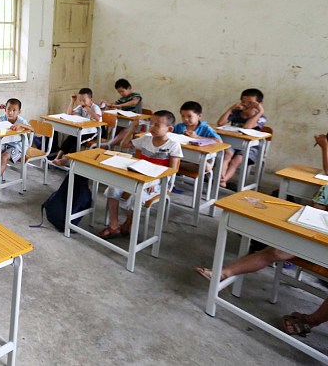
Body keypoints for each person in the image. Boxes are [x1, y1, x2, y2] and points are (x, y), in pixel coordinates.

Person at [195, 132, 328, 335]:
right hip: (318, 237)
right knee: (276, 251)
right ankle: (223, 273)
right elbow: (314, 213)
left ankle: (312, 321)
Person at [99, 110, 182, 239]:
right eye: (151, 123)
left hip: (159, 182)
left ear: (169, 129)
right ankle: (113, 225)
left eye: (157, 125)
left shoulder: (173, 146)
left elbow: (172, 171)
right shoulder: (146, 139)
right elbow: (123, 144)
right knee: (112, 188)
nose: (152, 127)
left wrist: (154, 181)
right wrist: (132, 128)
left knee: (135, 197)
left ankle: (127, 225)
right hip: (138, 177)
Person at [216, 88, 267, 188]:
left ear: (260, 104)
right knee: (226, 155)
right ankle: (221, 180)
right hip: (233, 143)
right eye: (243, 102)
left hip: (250, 147)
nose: (246, 105)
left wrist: (260, 112)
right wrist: (231, 109)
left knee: (236, 161)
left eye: (251, 103)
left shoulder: (261, 117)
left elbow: (247, 127)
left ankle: (223, 180)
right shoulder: (236, 113)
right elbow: (220, 123)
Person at [50, 88, 102, 167]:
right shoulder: (81, 107)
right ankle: (57, 158)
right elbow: (69, 113)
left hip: (92, 131)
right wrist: (72, 101)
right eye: (80, 100)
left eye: (84, 100)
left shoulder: (95, 107)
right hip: (82, 130)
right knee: (69, 139)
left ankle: (64, 160)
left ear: (91, 100)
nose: (82, 103)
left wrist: (89, 110)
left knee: (77, 142)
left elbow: (98, 119)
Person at [98, 78, 143, 149]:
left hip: (135, 123)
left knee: (126, 131)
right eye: (119, 92)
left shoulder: (136, 96)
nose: (121, 94)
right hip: (124, 121)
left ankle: (109, 144)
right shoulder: (122, 99)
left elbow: (134, 102)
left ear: (129, 88)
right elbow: (113, 104)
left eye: (122, 91)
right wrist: (107, 103)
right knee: (114, 127)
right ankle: (109, 145)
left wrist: (120, 105)